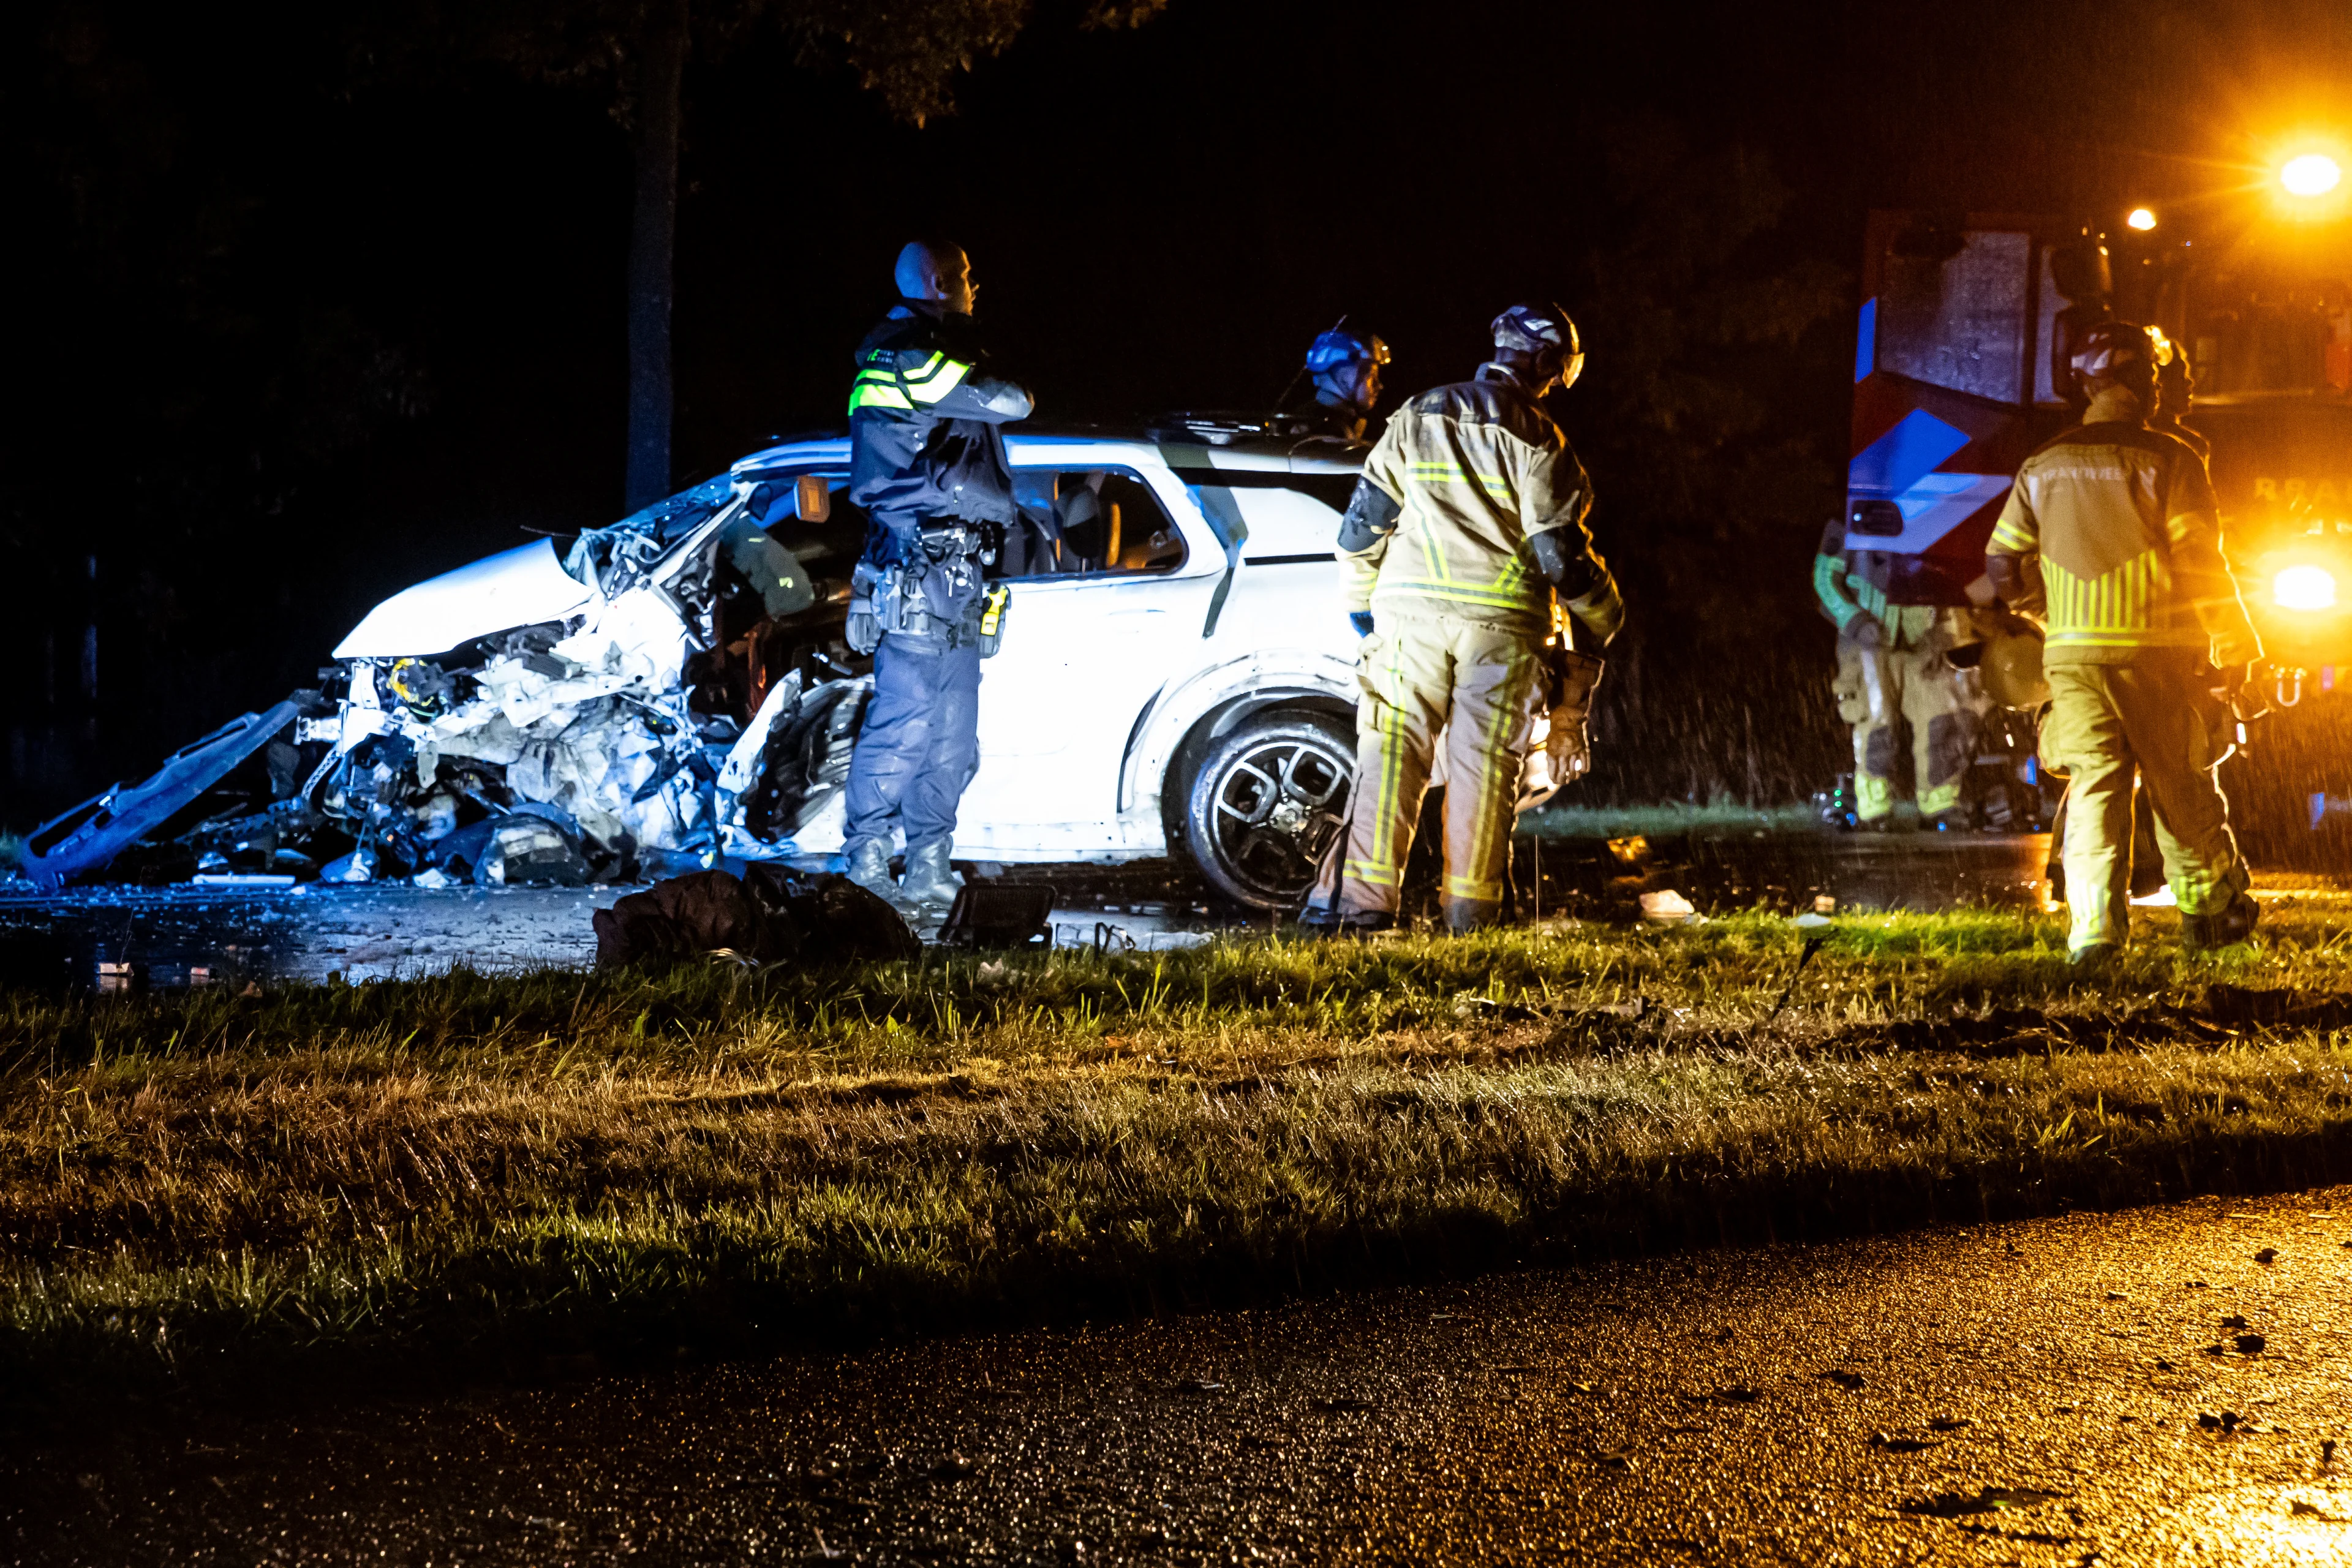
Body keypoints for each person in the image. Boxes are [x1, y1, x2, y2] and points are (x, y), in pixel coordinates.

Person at [1308, 302, 1622, 934]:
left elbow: (1361, 528)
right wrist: (1607, 611)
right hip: (1502, 630)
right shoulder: (1540, 438)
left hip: (1408, 620)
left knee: (1390, 754)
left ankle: (1360, 913)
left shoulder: (1420, 412)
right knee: (1484, 769)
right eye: (1558, 374)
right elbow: (1560, 554)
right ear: (1545, 363)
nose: (1555, 386)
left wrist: (1361, 607)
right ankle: (1471, 920)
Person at [1986, 320, 2263, 963]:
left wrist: (2045, 615)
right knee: (2179, 783)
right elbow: (2201, 563)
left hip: (2072, 659)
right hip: (2155, 655)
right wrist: (2237, 645)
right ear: (2142, 382)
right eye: (2157, 378)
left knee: (2095, 789)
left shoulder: (2043, 465)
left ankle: (2094, 937)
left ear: (2085, 384)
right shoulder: (2170, 458)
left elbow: (2002, 562)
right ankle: (2212, 915)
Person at [839, 239, 1034, 910]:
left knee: (951, 733)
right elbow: (1010, 400)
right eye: (967, 277)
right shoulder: (906, 354)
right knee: (906, 724)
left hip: (958, 575)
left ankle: (927, 864)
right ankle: (865, 861)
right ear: (936, 280)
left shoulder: (931, 350)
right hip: (920, 569)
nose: (977, 286)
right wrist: (977, 358)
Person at [1812, 522, 1985, 829]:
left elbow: (1954, 578)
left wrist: (1945, 635)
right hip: (1869, 637)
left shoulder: (1936, 510)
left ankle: (1940, 805)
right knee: (1877, 721)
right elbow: (1825, 577)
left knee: (1942, 718)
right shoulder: (1854, 512)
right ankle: (1875, 810)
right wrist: (1853, 620)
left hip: (1927, 639)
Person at [1280, 326, 1390, 442]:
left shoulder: (1329, 420)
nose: (1379, 385)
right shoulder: (1323, 430)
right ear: (1343, 374)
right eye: (1371, 375)